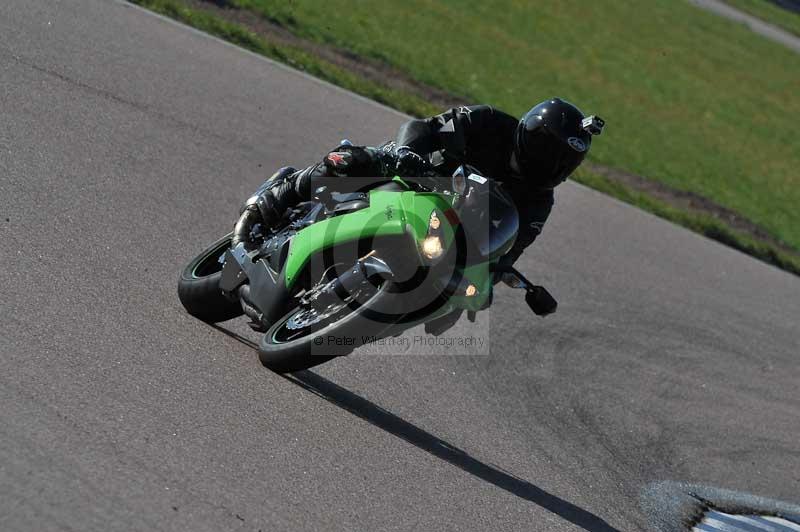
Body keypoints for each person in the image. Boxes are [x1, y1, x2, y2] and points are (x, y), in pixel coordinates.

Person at [239, 98, 604, 272]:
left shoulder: (540, 201)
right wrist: (404, 153)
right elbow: (423, 128)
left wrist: (498, 271)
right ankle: (281, 193)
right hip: (408, 176)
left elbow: (511, 247)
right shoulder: (488, 122)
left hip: (440, 226)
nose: (552, 166)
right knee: (351, 161)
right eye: (548, 153)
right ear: (529, 136)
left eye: (565, 161)